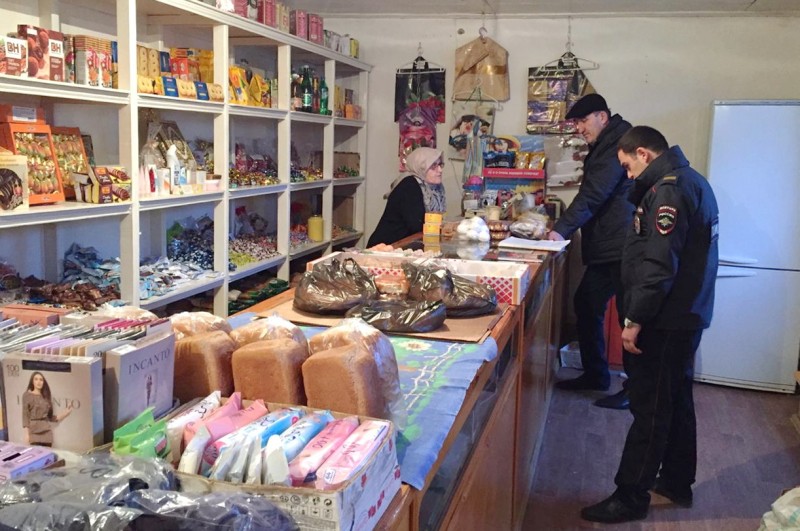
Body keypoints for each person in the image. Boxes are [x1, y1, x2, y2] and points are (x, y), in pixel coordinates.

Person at [580, 126, 719, 523]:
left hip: (665, 319)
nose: (627, 175)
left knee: (650, 407)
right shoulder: (690, 180)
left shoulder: (668, 191)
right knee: (676, 399)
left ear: (643, 153)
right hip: (685, 315)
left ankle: (630, 496)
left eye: (628, 166)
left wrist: (635, 319)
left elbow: (658, 266)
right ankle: (676, 480)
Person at [547, 93, 634, 409]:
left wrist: (561, 229)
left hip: (620, 245)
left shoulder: (617, 143)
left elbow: (594, 194)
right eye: (577, 123)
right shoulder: (607, 142)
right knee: (586, 304)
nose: (580, 128)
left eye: (583, 121)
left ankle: (634, 390)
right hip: (609, 245)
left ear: (602, 117)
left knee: (629, 317)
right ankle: (596, 374)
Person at [367, 147, 445, 247]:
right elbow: (417, 225)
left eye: (440, 164)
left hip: (407, 244)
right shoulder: (409, 185)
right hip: (387, 246)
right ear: (420, 167)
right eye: (433, 166)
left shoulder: (436, 188)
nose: (440, 170)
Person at [22, 371, 73, 447]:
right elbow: (25, 415)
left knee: (47, 454)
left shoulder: (46, 397)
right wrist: (26, 434)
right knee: (36, 453)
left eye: (41, 380)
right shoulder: (27, 395)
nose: (38, 382)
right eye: (36, 379)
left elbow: (51, 418)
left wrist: (66, 412)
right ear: (32, 382)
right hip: (34, 432)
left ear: (43, 382)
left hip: (47, 433)